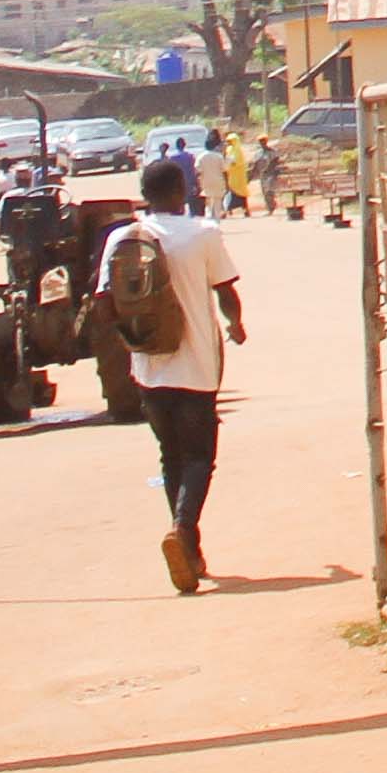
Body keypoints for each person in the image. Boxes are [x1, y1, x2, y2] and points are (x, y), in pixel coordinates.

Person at [120, 149, 248, 592]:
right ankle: (182, 530)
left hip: (150, 370)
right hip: (195, 368)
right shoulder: (203, 233)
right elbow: (225, 292)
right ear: (182, 192)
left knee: (170, 457)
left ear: (144, 195)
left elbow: (104, 302)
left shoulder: (125, 238)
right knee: (199, 458)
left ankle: (190, 549)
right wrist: (236, 323)